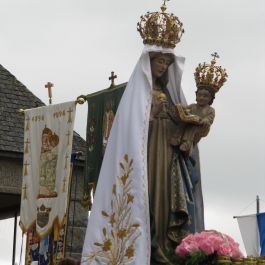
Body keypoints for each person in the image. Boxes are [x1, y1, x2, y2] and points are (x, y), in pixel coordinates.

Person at [171, 86, 215, 156]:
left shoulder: (210, 110)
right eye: (199, 95)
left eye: (205, 96)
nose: (201, 98)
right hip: (190, 122)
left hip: (201, 127)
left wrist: (204, 120)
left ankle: (187, 143)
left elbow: (210, 118)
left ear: (210, 99)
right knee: (183, 123)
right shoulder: (192, 106)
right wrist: (182, 109)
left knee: (193, 128)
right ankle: (177, 137)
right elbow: (186, 109)